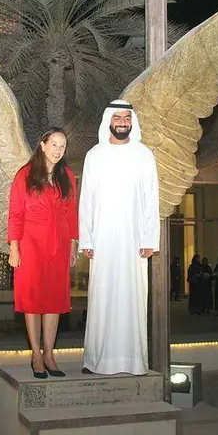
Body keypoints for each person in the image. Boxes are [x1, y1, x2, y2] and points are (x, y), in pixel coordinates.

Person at [78, 99, 160, 376]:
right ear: (109, 121)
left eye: (127, 117)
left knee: (132, 297)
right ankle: (97, 360)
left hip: (134, 240)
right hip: (102, 240)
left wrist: (150, 238)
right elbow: (86, 200)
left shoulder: (144, 155)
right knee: (102, 296)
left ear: (132, 122)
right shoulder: (95, 155)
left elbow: (152, 200)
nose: (123, 122)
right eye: (118, 117)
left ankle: (133, 361)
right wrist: (86, 240)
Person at [8, 128, 78, 379]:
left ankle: (50, 353)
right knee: (33, 300)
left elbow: (71, 213)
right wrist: (14, 246)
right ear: (42, 145)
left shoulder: (67, 175)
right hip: (31, 244)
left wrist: (73, 244)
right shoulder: (25, 175)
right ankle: (36, 354)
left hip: (59, 245)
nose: (58, 150)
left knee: (54, 301)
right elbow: (16, 212)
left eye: (63, 146)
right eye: (54, 145)